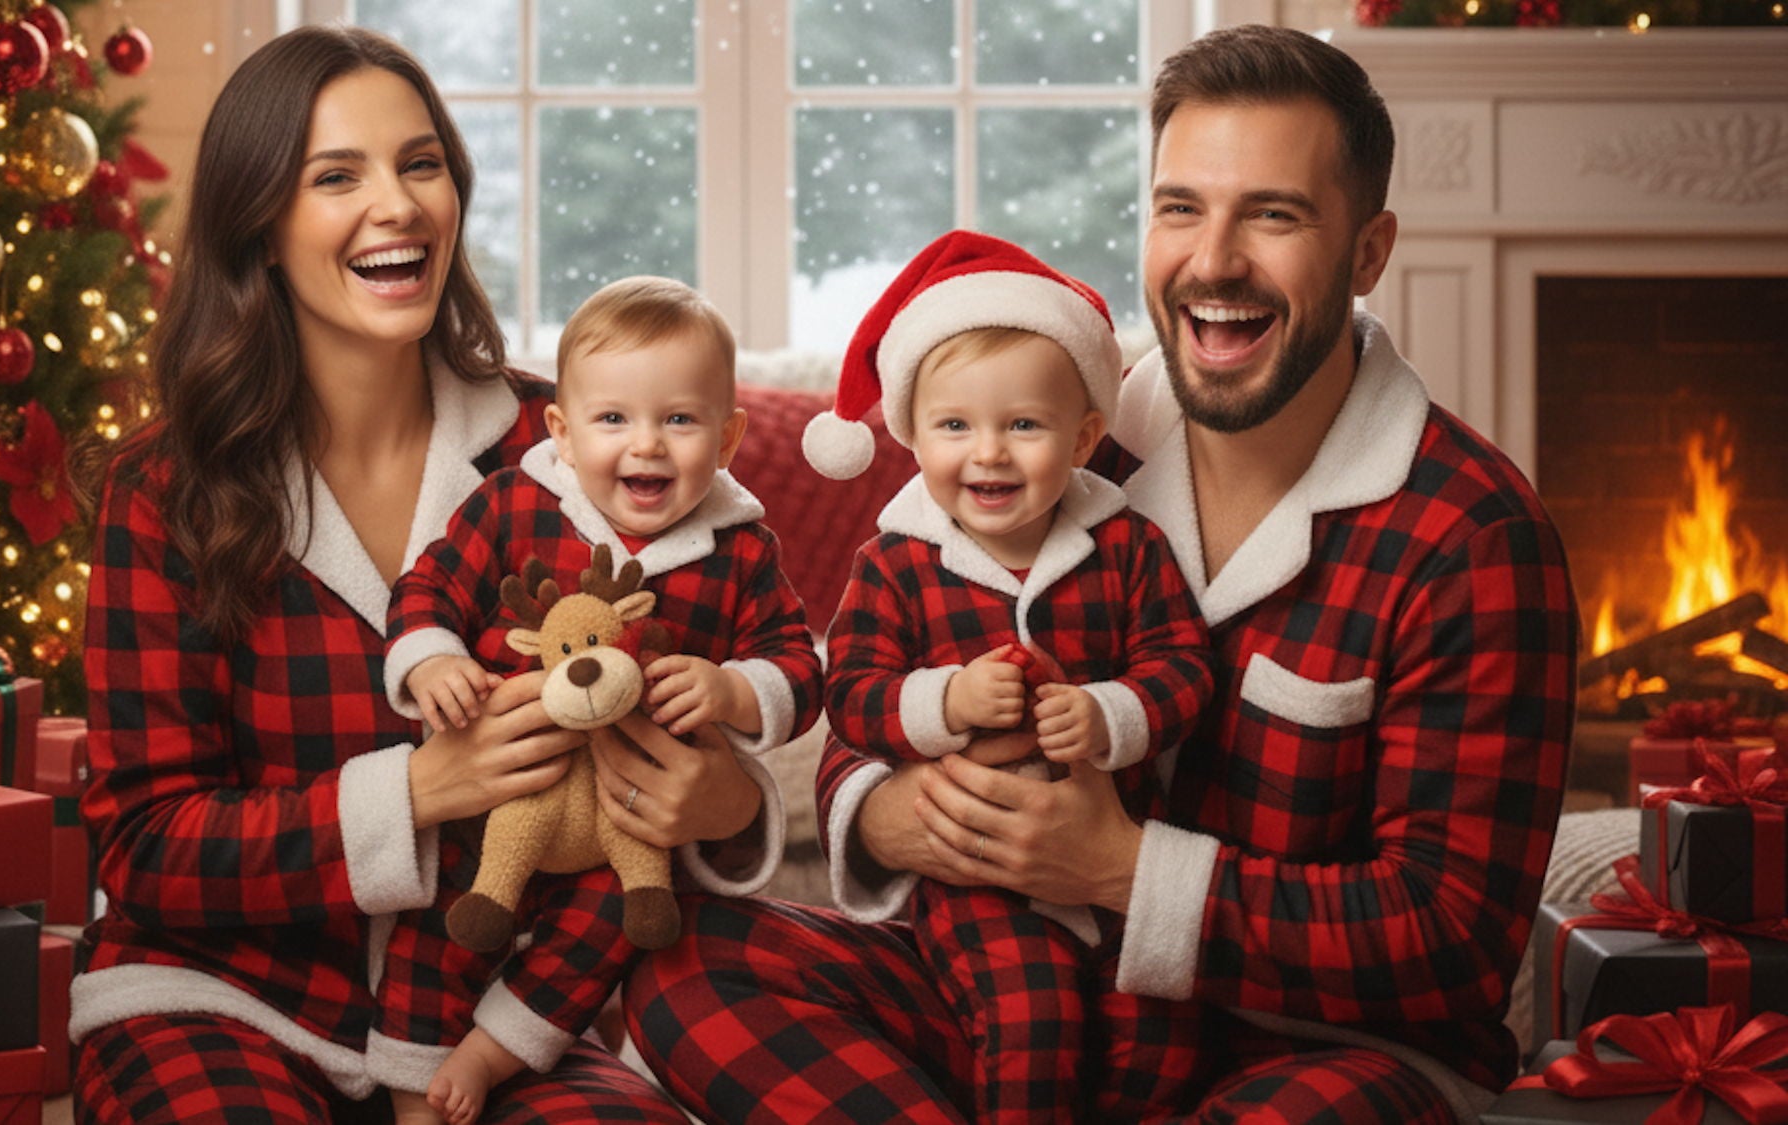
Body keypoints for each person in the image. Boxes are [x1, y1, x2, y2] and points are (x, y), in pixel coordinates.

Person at [625, 24, 1577, 1125]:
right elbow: (864, 718)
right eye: (1180, 208)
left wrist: (1121, 869)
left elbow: (1450, 944)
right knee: (682, 968)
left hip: (1315, 1046)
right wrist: (896, 816)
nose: (1212, 261)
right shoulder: (1061, 445)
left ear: (1366, 253)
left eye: (1271, 215)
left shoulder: (1471, 536)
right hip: (1024, 995)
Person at [72, 27, 776, 1124]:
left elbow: (716, 666)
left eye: (420, 163)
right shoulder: (164, 491)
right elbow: (146, 844)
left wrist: (728, 800)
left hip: (481, 1025)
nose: (396, 204)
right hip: (215, 995)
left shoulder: (569, 454)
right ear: (260, 224)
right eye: (335, 176)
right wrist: (415, 794)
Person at [380, 275, 822, 1125]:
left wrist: (734, 688)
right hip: (501, 793)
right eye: (613, 419)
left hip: (623, 832)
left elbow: (799, 668)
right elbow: (429, 585)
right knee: (440, 923)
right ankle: (412, 1091)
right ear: (563, 430)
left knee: (613, 929)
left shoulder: (741, 551)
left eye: (680, 420)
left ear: (728, 436)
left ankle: (493, 1051)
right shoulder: (516, 503)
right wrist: (431, 661)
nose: (646, 446)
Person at [800, 230, 1215, 1122]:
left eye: (1023, 424)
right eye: (955, 426)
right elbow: (853, 695)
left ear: (1084, 436)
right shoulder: (896, 564)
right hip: (976, 881)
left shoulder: (1127, 546)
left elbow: (1184, 667)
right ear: (911, 434)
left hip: (1116, 857)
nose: (987, 453)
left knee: (1164, 1032)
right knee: (1035, 1018)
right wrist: (943, 699)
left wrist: (1109, 713)